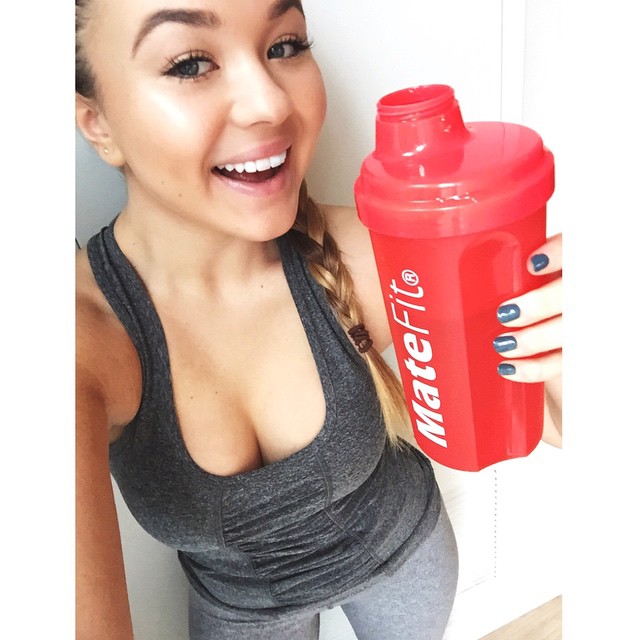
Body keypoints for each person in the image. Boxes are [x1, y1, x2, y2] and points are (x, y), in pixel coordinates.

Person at [75, 0, 563, 638]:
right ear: (97, 123)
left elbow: (548, 418)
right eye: (190, 63)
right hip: (243, 611)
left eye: (285, 46)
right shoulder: (78, 339)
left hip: (405, 558)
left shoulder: (377, 256)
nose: (270, 104)